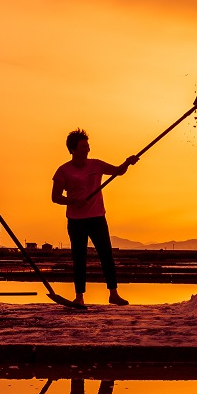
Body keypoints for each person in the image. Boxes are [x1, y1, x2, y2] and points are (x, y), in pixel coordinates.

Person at [50, 129, 137, 309]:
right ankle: (79, 297)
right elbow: (55, 197)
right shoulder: (63, 170)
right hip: (76, 220)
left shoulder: (96, 165)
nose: (87, 149)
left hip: (97, 217)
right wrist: (74, 201)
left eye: (87, 146)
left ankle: (113, 293)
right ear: (72, 149)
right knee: (79, 258)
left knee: (106, 255)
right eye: (82, 146)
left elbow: (118, 171)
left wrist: (127, 163)